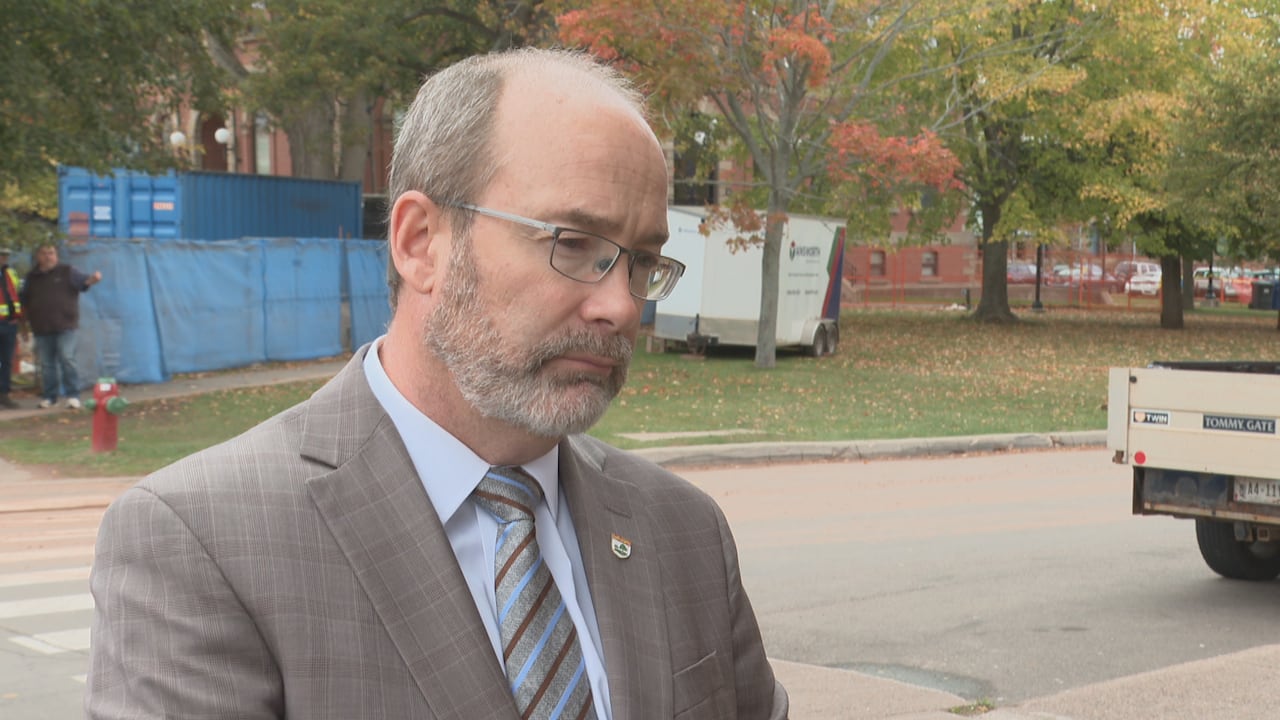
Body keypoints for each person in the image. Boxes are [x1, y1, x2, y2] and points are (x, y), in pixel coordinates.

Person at [87, 48, 788, 719]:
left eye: (641, 261)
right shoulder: (203, 541)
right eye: (573, 245)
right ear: (421, 242)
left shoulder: (684, 530)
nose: (622, 306)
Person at [18, 242, 101, 409]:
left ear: (56, 255)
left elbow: (84, 282)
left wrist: (93, 279)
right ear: (37, 256)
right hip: (41, 327)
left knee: (67, 358)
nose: (48, 256)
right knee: (47, 365)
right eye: (44, 253)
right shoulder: (31, 277)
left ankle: (73, 395)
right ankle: (50, 397)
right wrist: (23, 327)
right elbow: (24, 303)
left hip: (65, 325)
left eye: (51, 253)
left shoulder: (67, 271)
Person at [0, 247, 22, 409]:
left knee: (6, 361)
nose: (4, 258)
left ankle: (4, 394)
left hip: (9, 324)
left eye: (6, 255)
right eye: (2, 255)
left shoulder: (11, 273)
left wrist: (17, 318)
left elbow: (16, 296)